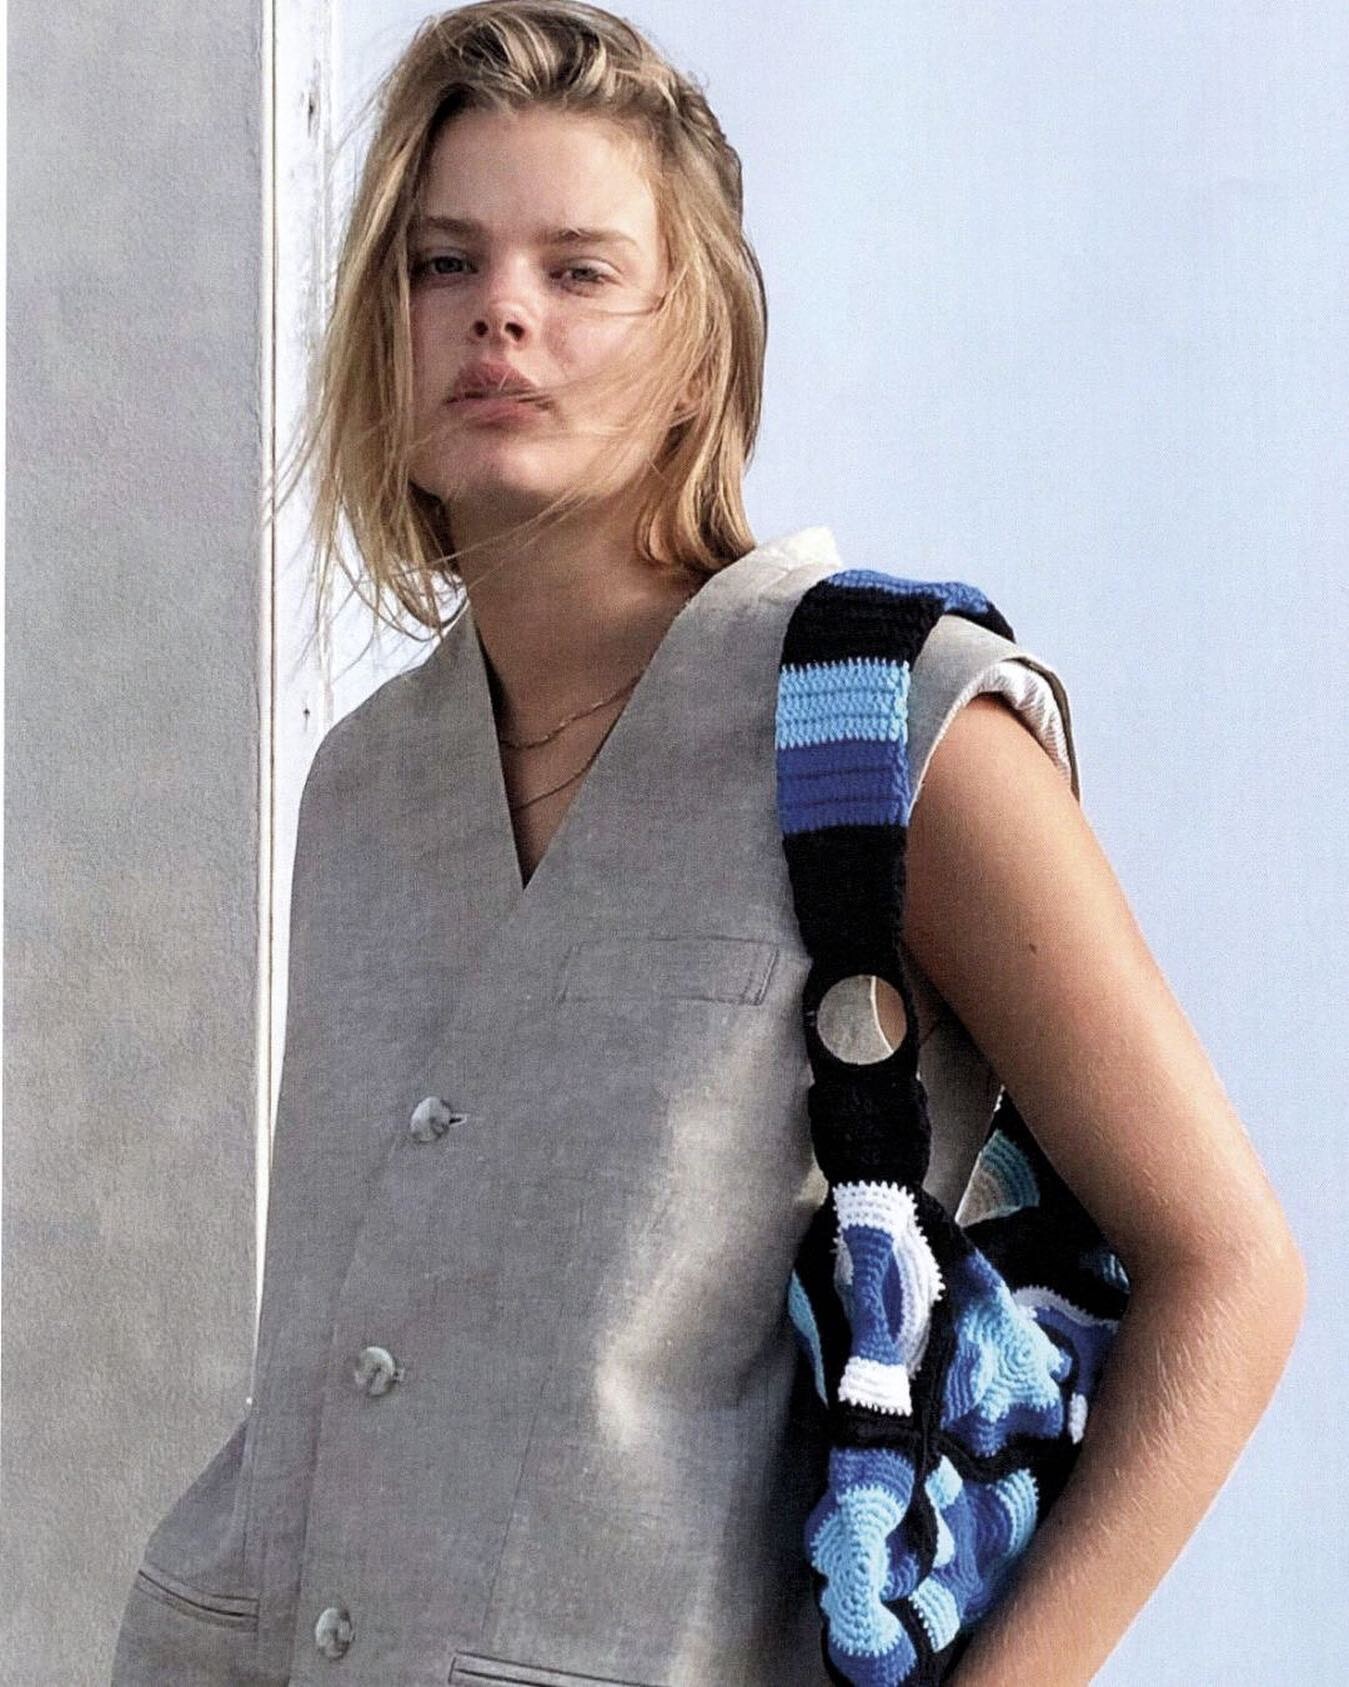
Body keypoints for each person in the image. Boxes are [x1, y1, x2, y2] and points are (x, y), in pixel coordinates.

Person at [110, 4, 1306, 1685]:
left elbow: (1229, 1273)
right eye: (442, 263)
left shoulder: (892, 724)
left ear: (695, 349)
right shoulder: (363, 786)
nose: (498, 310)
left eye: (578, 271)